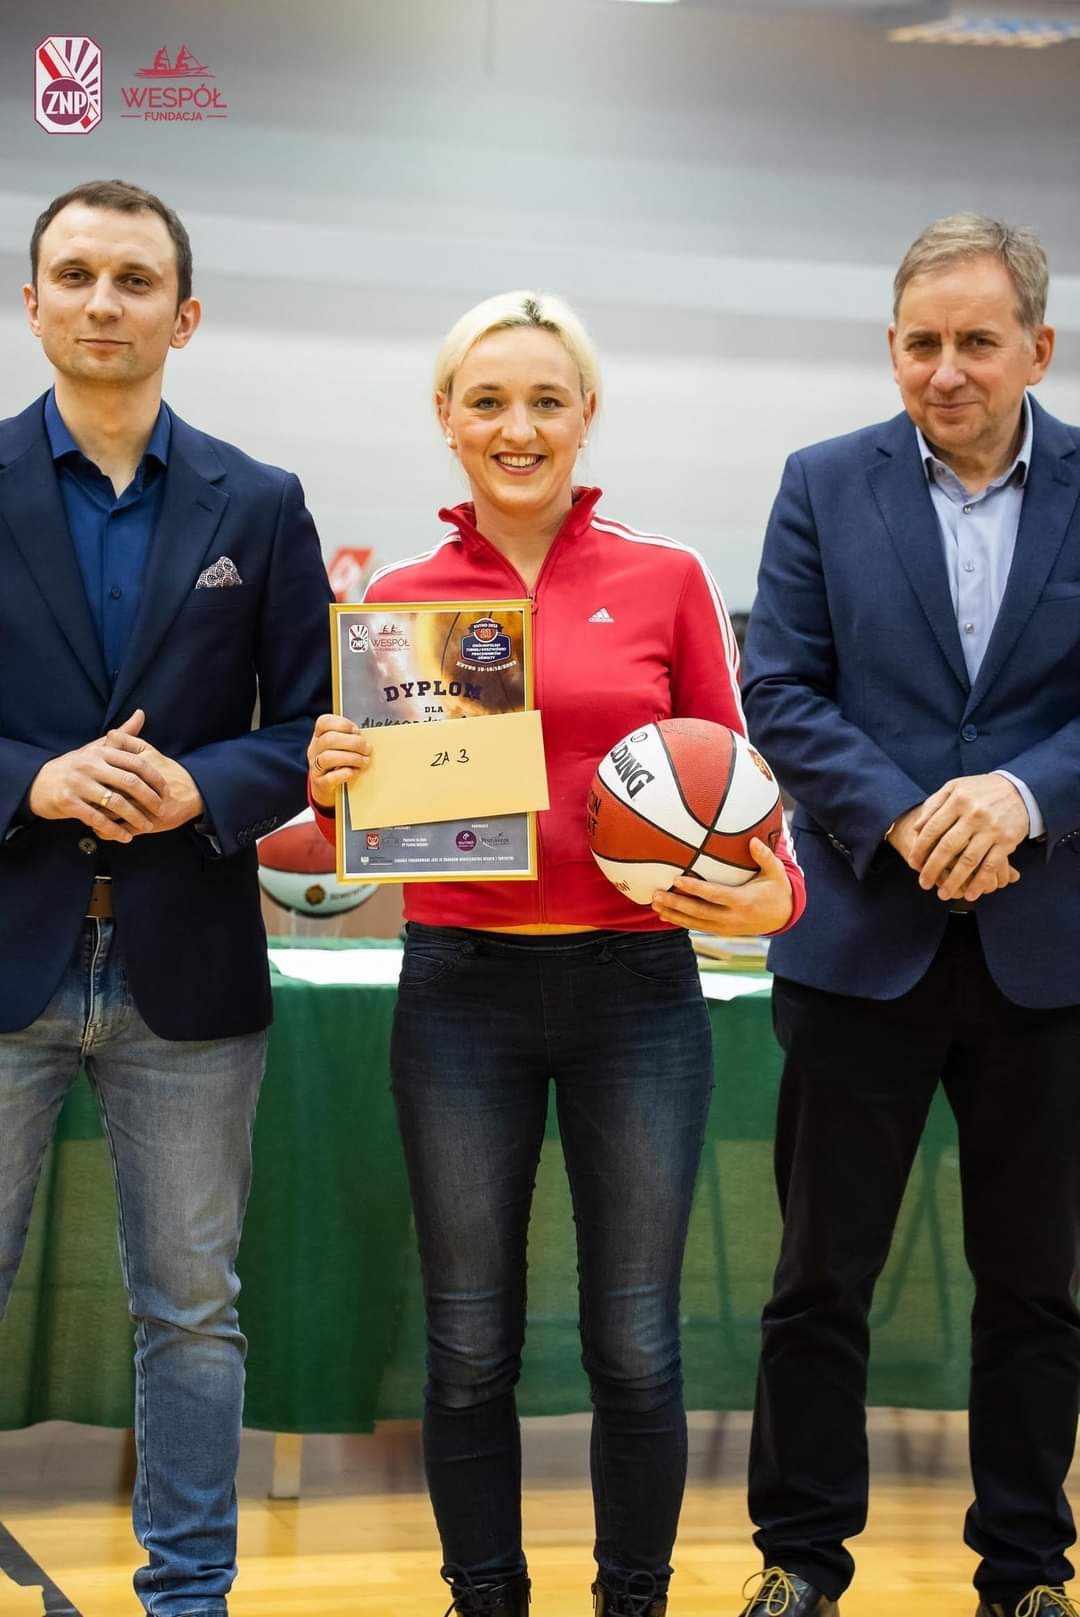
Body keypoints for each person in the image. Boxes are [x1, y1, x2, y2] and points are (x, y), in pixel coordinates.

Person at [307, 290, 806, 1617]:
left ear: (588, 415)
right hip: (458, 990)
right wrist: (329, 787)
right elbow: (354, 835)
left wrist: (777, 894)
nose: (517, 427)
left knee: (634, 1344)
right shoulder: (400, 604)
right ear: (446, 418)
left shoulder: (669, 578)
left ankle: (632, 1602)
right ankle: (486, 1600)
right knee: (470, 1342)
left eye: (545, 400)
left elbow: (743, 792)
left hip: (636, 993)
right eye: (488, 401)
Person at [739, 214, 1080, 1617]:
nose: (947, 370)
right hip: (861, 944)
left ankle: (1026, 1571)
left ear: (1037, 349)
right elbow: (780, 687)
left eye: (977, 342)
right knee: (819, 1279)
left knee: (1037, 1288)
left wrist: (1022, 795)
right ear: (891, 347)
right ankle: (800, 1563)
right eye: (922, 342)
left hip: (1048, 953)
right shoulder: (821, 484)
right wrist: (908, 817)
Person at [0, 179, 331, 1615]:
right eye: (75, 275)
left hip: (185, 968)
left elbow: (310, 729)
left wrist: (202, 788)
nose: (104, 301)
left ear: (183, 317)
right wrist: (35, 782)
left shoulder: (259, 503)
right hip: (6, 952)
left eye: (135, 280)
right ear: (32, 304)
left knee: (191, 1309)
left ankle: (189, 1594)